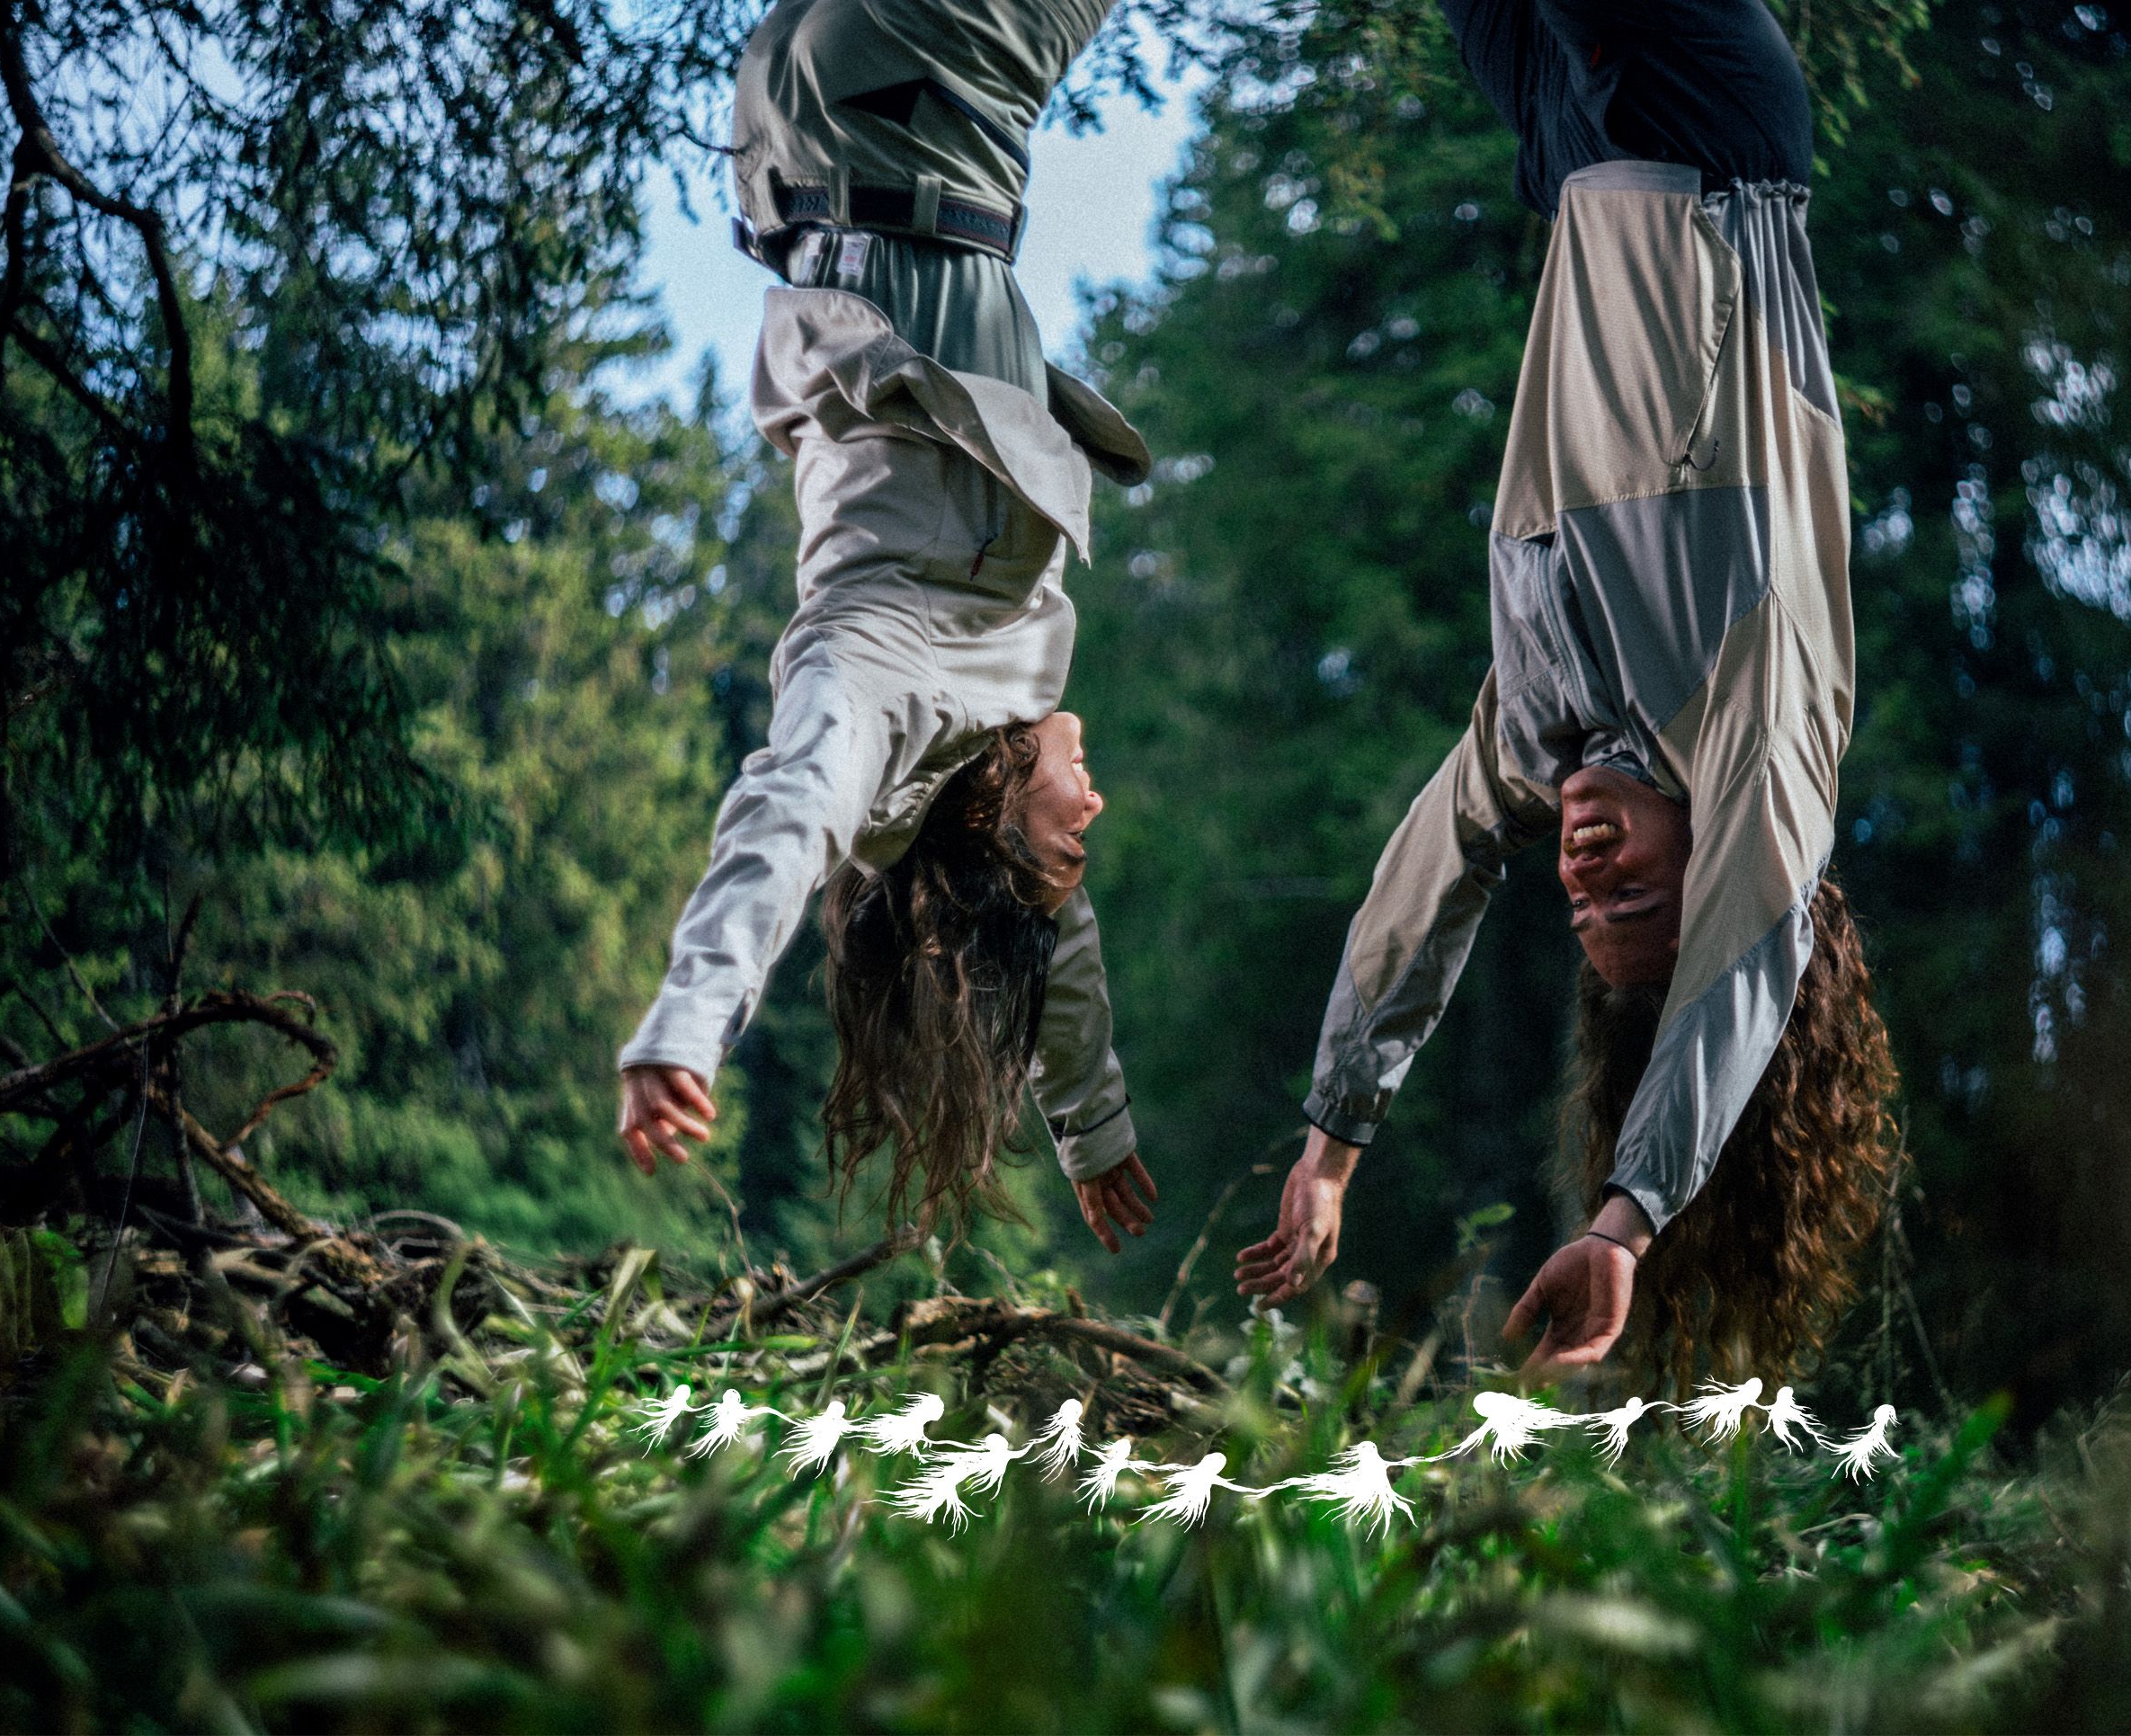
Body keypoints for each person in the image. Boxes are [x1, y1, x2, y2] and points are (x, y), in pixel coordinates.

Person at [1235, 0, 1901, 1382]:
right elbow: (1748, 961)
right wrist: (1629, 1217)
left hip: (1572, 150)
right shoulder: (1758, 718)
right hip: (1707, 130)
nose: (1586, 867)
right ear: (1712, 855)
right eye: (1639, 896)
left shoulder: (1535, 742)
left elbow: (1416, 903)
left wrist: (1330, 1147)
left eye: (1584, 904)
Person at [615, 0, 1160, 1255]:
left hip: (895, 110)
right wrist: (1093, 1127)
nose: (1093, 816)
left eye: (1066, 843)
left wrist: (688, 1022)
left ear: (992, 822)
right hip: (845, 136)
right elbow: (1054, 952)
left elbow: (787, 814)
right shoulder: (992, 721)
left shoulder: (887, 687)